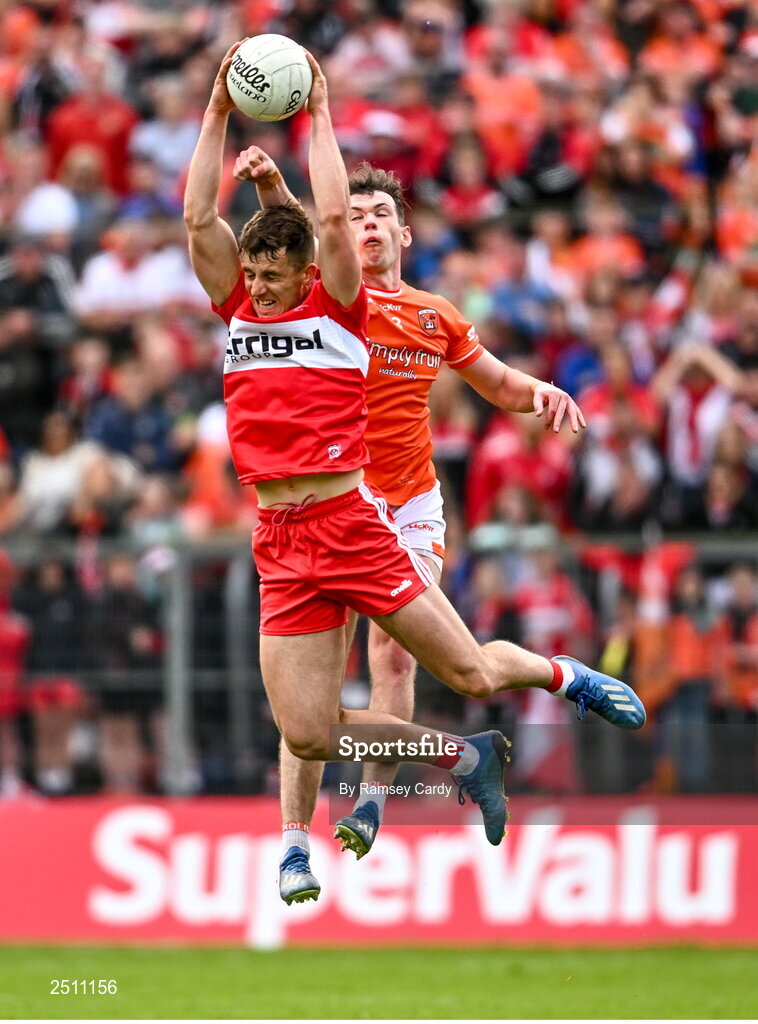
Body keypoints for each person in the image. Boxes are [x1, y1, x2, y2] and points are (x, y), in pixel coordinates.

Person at [184, 42, 646, 906]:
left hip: (363, 516)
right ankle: (449, 763)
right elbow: (200, 225)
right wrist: (216, 112)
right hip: (279, 538)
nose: (261, 278)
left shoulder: (352, 303)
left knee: (453, 670)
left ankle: (561, 677)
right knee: (308, 730)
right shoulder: (240, 303)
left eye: (274, 265)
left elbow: (321, 228)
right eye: (253, 268)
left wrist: (317, 111)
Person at [239, 151, 595, 893]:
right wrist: (275, 189)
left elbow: (496, 382)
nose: (365, 224)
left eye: (380, 216)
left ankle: (372, 798)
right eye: (356, 215)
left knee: (400, 657)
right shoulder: (323, 297)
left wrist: (543, 392)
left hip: (406, 507)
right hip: (335, 503)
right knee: (313, 692)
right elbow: (305, 231)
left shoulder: (435, 315)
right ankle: (294, 841)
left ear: (404, 233)